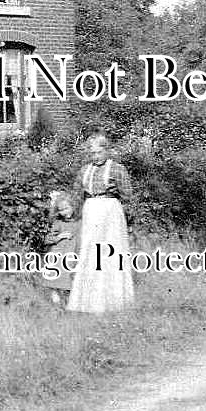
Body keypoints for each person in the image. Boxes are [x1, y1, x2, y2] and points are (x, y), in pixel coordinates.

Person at [67, 133, 135, 313]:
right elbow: (76, 195)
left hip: (110, 212)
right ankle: (88, 303)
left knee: (110, 254)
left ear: (107, 150)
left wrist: (127, 218)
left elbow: (128, 195)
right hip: (90, 211)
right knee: (90, 253)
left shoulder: (117, 169)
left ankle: (114, 303)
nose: (95, 157)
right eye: (92, 153)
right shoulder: (84, 170)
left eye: (99, 152)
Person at [41, 192, 80, 306]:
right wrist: (59, 237)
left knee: (70, 282)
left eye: (67, 208)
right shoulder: (58, 223)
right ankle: (56, 305)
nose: (64, 212)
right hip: (58, 255)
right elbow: (47, 239)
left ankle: (67, 305)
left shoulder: (80, 222)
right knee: (55, 281)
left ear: (73, 206)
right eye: (61, 210)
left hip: (72, 255)